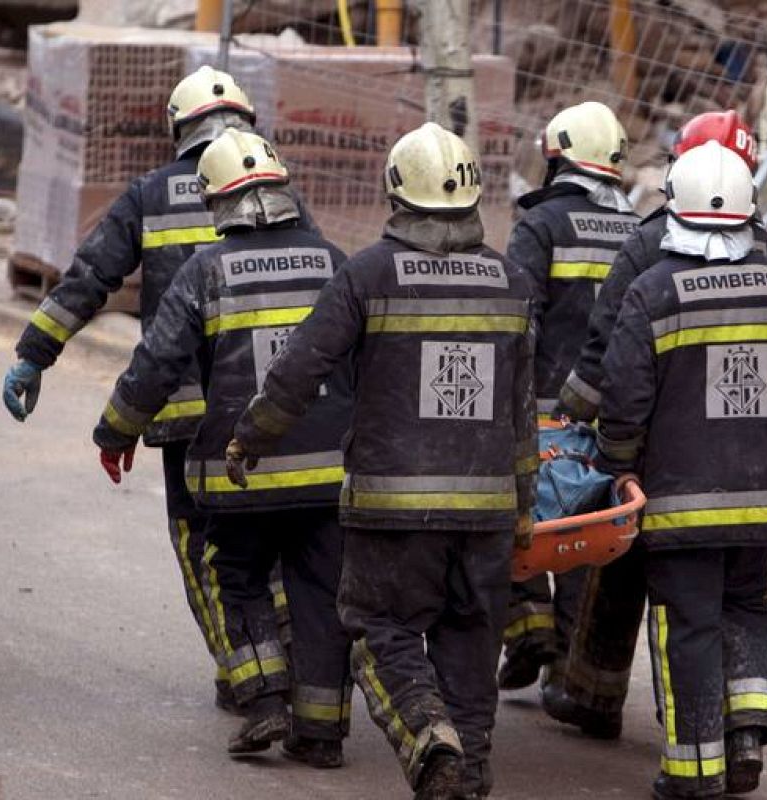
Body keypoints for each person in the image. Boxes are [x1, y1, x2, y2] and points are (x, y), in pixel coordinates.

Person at [226, 122, 538, 800]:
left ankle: (429, 740)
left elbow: (300, 368)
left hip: (390, 509)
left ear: (395, 192)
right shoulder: (511, 282)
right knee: (470, 645)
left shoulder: (368, 273)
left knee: (378, 629)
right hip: (486, 511)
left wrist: (251, 437)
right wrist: (524, 507)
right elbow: (521, 413)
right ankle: (469, 773)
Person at [2, 66, 318, 708]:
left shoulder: (149, 193)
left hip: (184, 411)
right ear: (247, 123)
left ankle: (247, 674)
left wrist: (35, 354)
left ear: (180, 128)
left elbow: (90, 277)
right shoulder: (276, 186)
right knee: (269, 534)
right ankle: (287, 652)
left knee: (201, 541)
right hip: (270, 403)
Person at [556, 110, 767, 742]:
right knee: (746, 600)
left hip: (675, 486)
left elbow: (612, 364)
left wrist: (604, 456)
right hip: (766, 484)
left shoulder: (650, 261)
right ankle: (745, 721)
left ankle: (634, 719)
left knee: (672, 608)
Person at [91, 130, 353, 762]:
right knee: (319, 592)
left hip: (244, 473)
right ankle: (320, 737)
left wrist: (115, 431)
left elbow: (156, 364)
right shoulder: (334, 260)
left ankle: (264, 702)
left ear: (218, 203)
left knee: (235, 576)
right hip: (326, 474)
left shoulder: (205, 271)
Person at [499, 102, 640, 715]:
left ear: (555, 157)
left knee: (519, 521)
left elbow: (515, 320)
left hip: (544, 408)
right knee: (589, 537)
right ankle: (573, 679)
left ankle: (530, 631)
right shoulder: (641, 230)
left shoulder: (541, 225)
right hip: (614, 419)